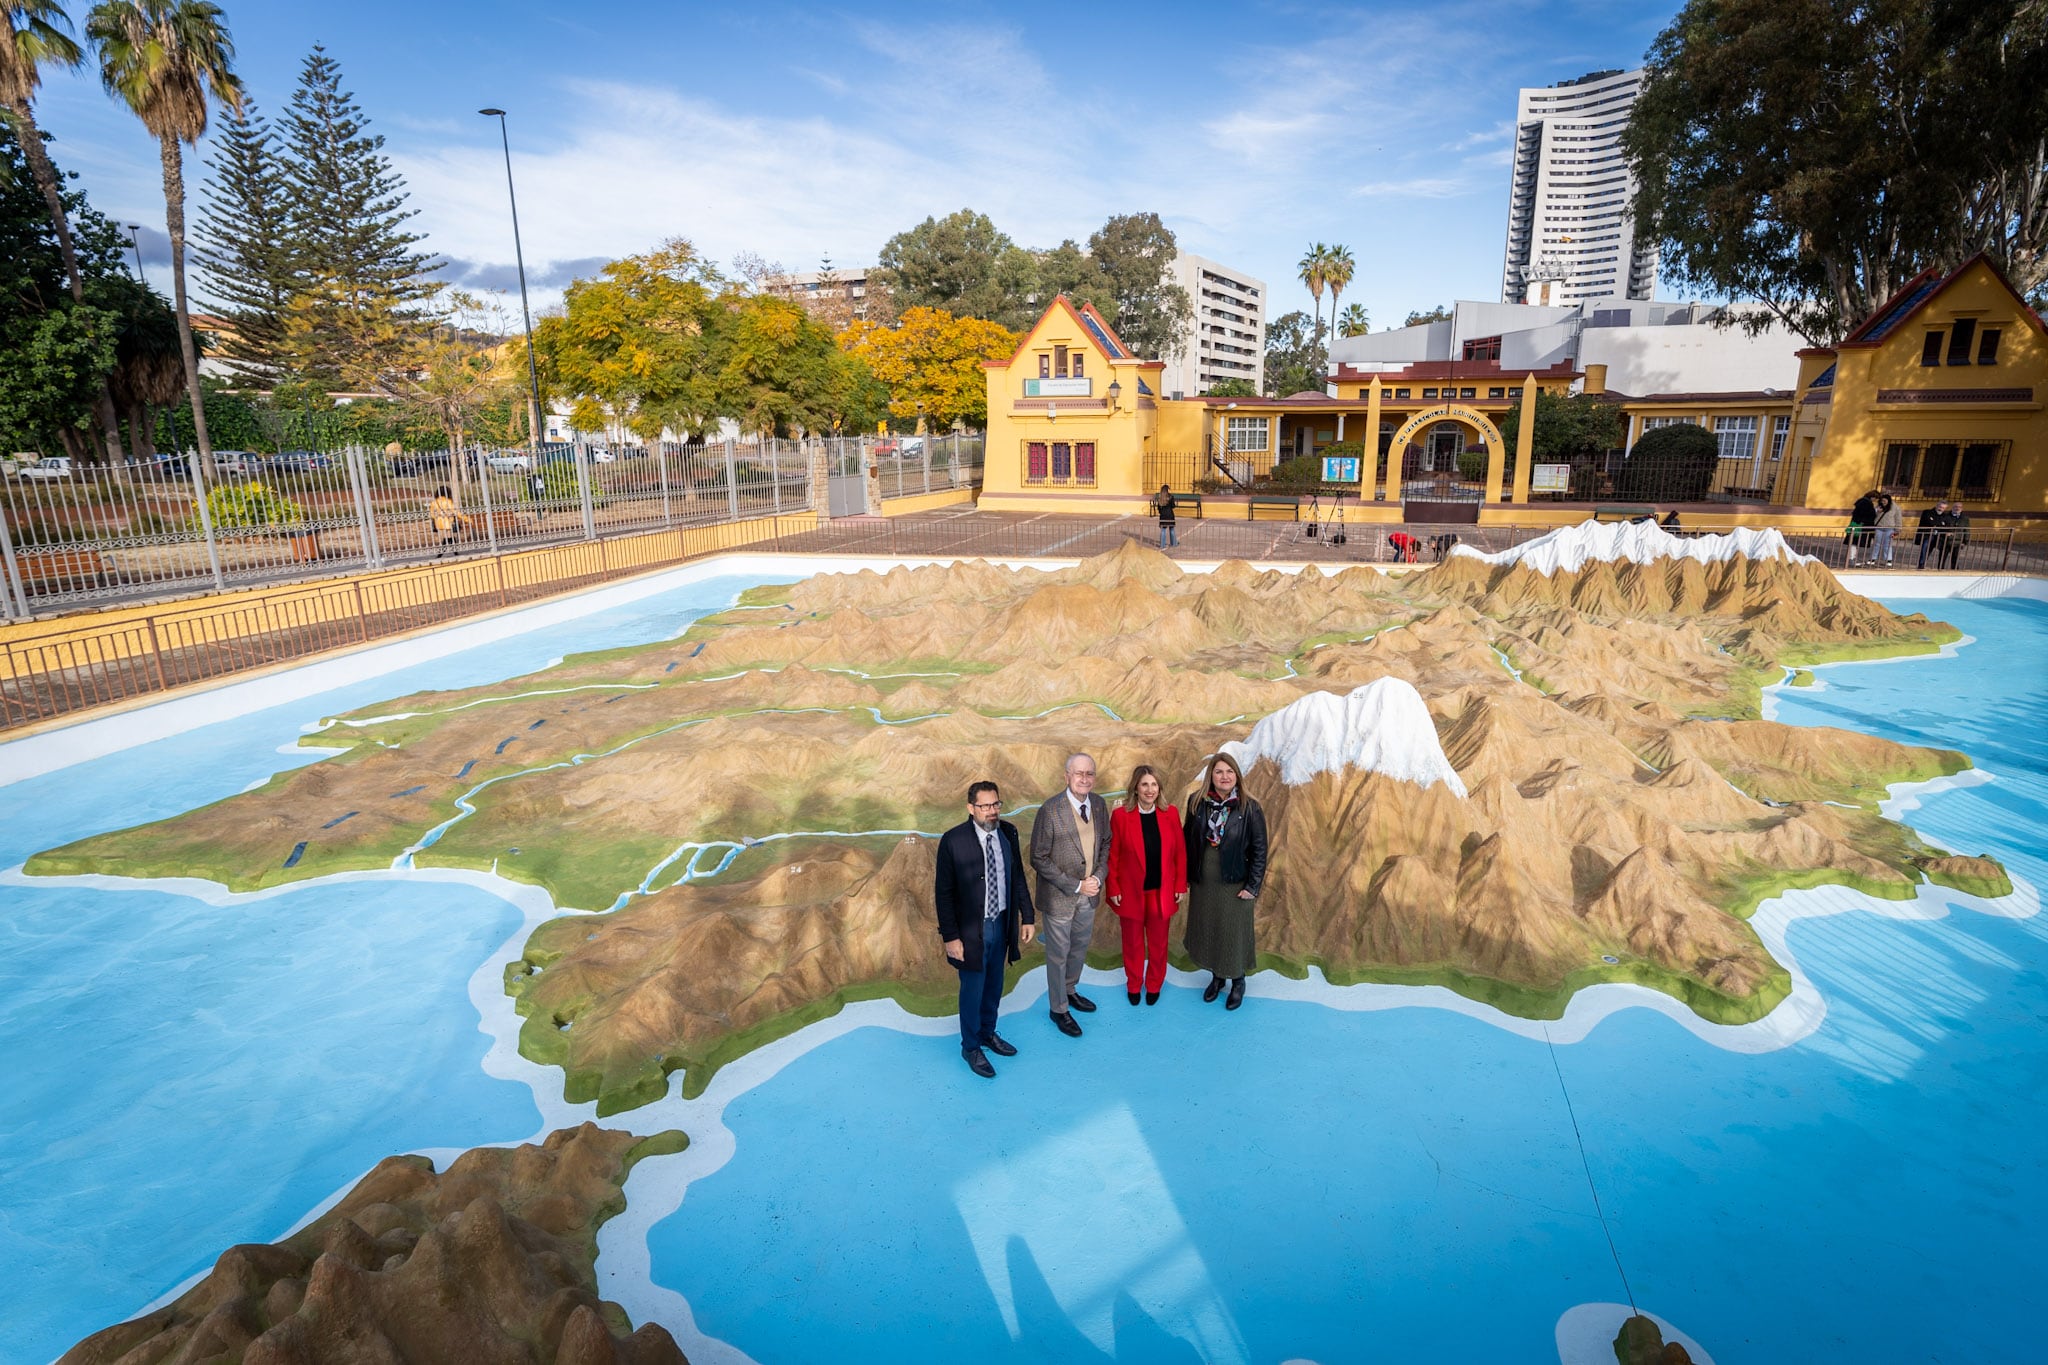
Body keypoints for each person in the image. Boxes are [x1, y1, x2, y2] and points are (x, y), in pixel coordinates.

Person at [934, 781, 1037, 1078]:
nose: (992, 811)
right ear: (971, 808)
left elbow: (1017, 877)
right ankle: (971, 1046)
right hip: (970, 933)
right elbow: (943, 893)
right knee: (972, 990)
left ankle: (988, 1033)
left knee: (994, 985)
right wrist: (951, 937)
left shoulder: (1007, 833)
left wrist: (1026, 916)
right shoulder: (953, 841)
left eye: (996, 805)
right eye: (985, 806)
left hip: (1001, 924)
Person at [1029, 753, 1112, 1037]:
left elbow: (1106, 844)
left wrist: (1098, 877)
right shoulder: (1050, 810)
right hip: (1061, 897)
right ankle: (1059, 1009)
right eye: (1079, 773)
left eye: (1089, 774)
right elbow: (1038, 857)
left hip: (1089, 894)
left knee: (1078, 948)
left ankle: (1070, 989)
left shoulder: (1099, 805)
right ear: (1067, 776)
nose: (1084, 779)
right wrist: (1076, 885)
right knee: (1058, 954)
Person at [1182, 752, 1268, 1011]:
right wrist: (1186, 876)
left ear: (1237, 776)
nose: (1224, 776)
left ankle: (1238, 981)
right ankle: (1217, 977)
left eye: (1229, 771)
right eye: (1219, 771)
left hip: (1234, 880)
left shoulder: (1250, 807)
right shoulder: (1197, 802)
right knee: (1211, 927)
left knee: (1233, 931)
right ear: (1212, 775)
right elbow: (1188, 840)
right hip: (1204, 880)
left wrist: (1252, 886)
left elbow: (1259, 849)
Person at [1106, 764, 1189, 1006]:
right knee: (1131, 943)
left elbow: (1180, 853)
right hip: (1131, 891)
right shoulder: (1121, 816)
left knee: (1158, 943)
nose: (1149, 789)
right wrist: (1114, 888)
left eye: (1154, 784)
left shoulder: (1170, 813)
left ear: (1159, 788)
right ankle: (1133, 984)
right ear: (1136, 788)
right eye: (1144, 784)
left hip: (1160, 892)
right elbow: (1113, 855)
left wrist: (1180, 885)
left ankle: (1154, 984)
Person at [428, 485, 469, 557]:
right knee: (449, 537)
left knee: (447, 537)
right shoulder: (448, 501)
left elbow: (432, 514)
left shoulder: (434, 502)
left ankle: (443, 553)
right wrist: (466, 519)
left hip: (439, 523)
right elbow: (455, 512)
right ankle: (450, 552)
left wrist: (439, 515)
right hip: (448, 521)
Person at [1844, 490, 1877, 566]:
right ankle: (1851, 559)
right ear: (1872, 497)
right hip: (1861, 526)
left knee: (1854, 542)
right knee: (1854, 542)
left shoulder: (1862, 502)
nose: (1875, 500)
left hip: (1858, 525)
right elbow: (1867, 515)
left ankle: (1852, 558)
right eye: (1875, 498)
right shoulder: (1866, 504)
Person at [1916, 502, 1950, 569]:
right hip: (1927, 535)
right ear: (1937, 505)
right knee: (1925, 550)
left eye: (1943, 508)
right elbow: (1930, 522)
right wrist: (1940, 524)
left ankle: (1940, 567)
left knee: (1944, 550)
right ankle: (1921, 565)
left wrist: (1936, 525)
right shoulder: (1927, 512)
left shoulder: (1945, 516)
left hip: (1939, 537)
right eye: (1940, 507)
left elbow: (1946, 526)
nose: (1941, 509)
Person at [1873, 492, 1902, 566]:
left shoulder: (1895, 507)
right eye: (1882, 501)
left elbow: (1898, 518)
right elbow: (1873, 515)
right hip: (1879, 527)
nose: (1883, 502)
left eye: (1885, 501)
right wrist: (1877, 511)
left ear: (1889, 500)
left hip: (1889, 528)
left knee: (1888, 544)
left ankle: (1888, 560)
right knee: (1876, 543)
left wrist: (1897, 529)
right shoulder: (1879, 506)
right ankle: (1873, 558)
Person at [1942, 505, 1970, 570]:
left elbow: (1966, 530)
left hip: (1957, 542)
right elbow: (1941, 527)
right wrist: (1945, 533)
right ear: (1952, 508)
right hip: (1945, 541)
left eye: (1959, 507)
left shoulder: (1965, 518)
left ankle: (1954, 571)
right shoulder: (1946, 516)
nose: (1957, 508)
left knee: (1955, 558)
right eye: (1955, 507)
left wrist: (1965, 542)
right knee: (1942, 558)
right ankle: (1940, 570)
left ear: (1962, 509)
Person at [1153, 484, 1179, 549]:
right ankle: (1173, 543)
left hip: (1163, 515)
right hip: (1170, 515)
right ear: (1167, 490)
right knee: (1172, 529)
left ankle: (1162, 545)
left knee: (1163, 530)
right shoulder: (1170, 497)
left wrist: (1161, 512)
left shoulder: (1160, 498)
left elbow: (1158, 508)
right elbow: (1173, 506)